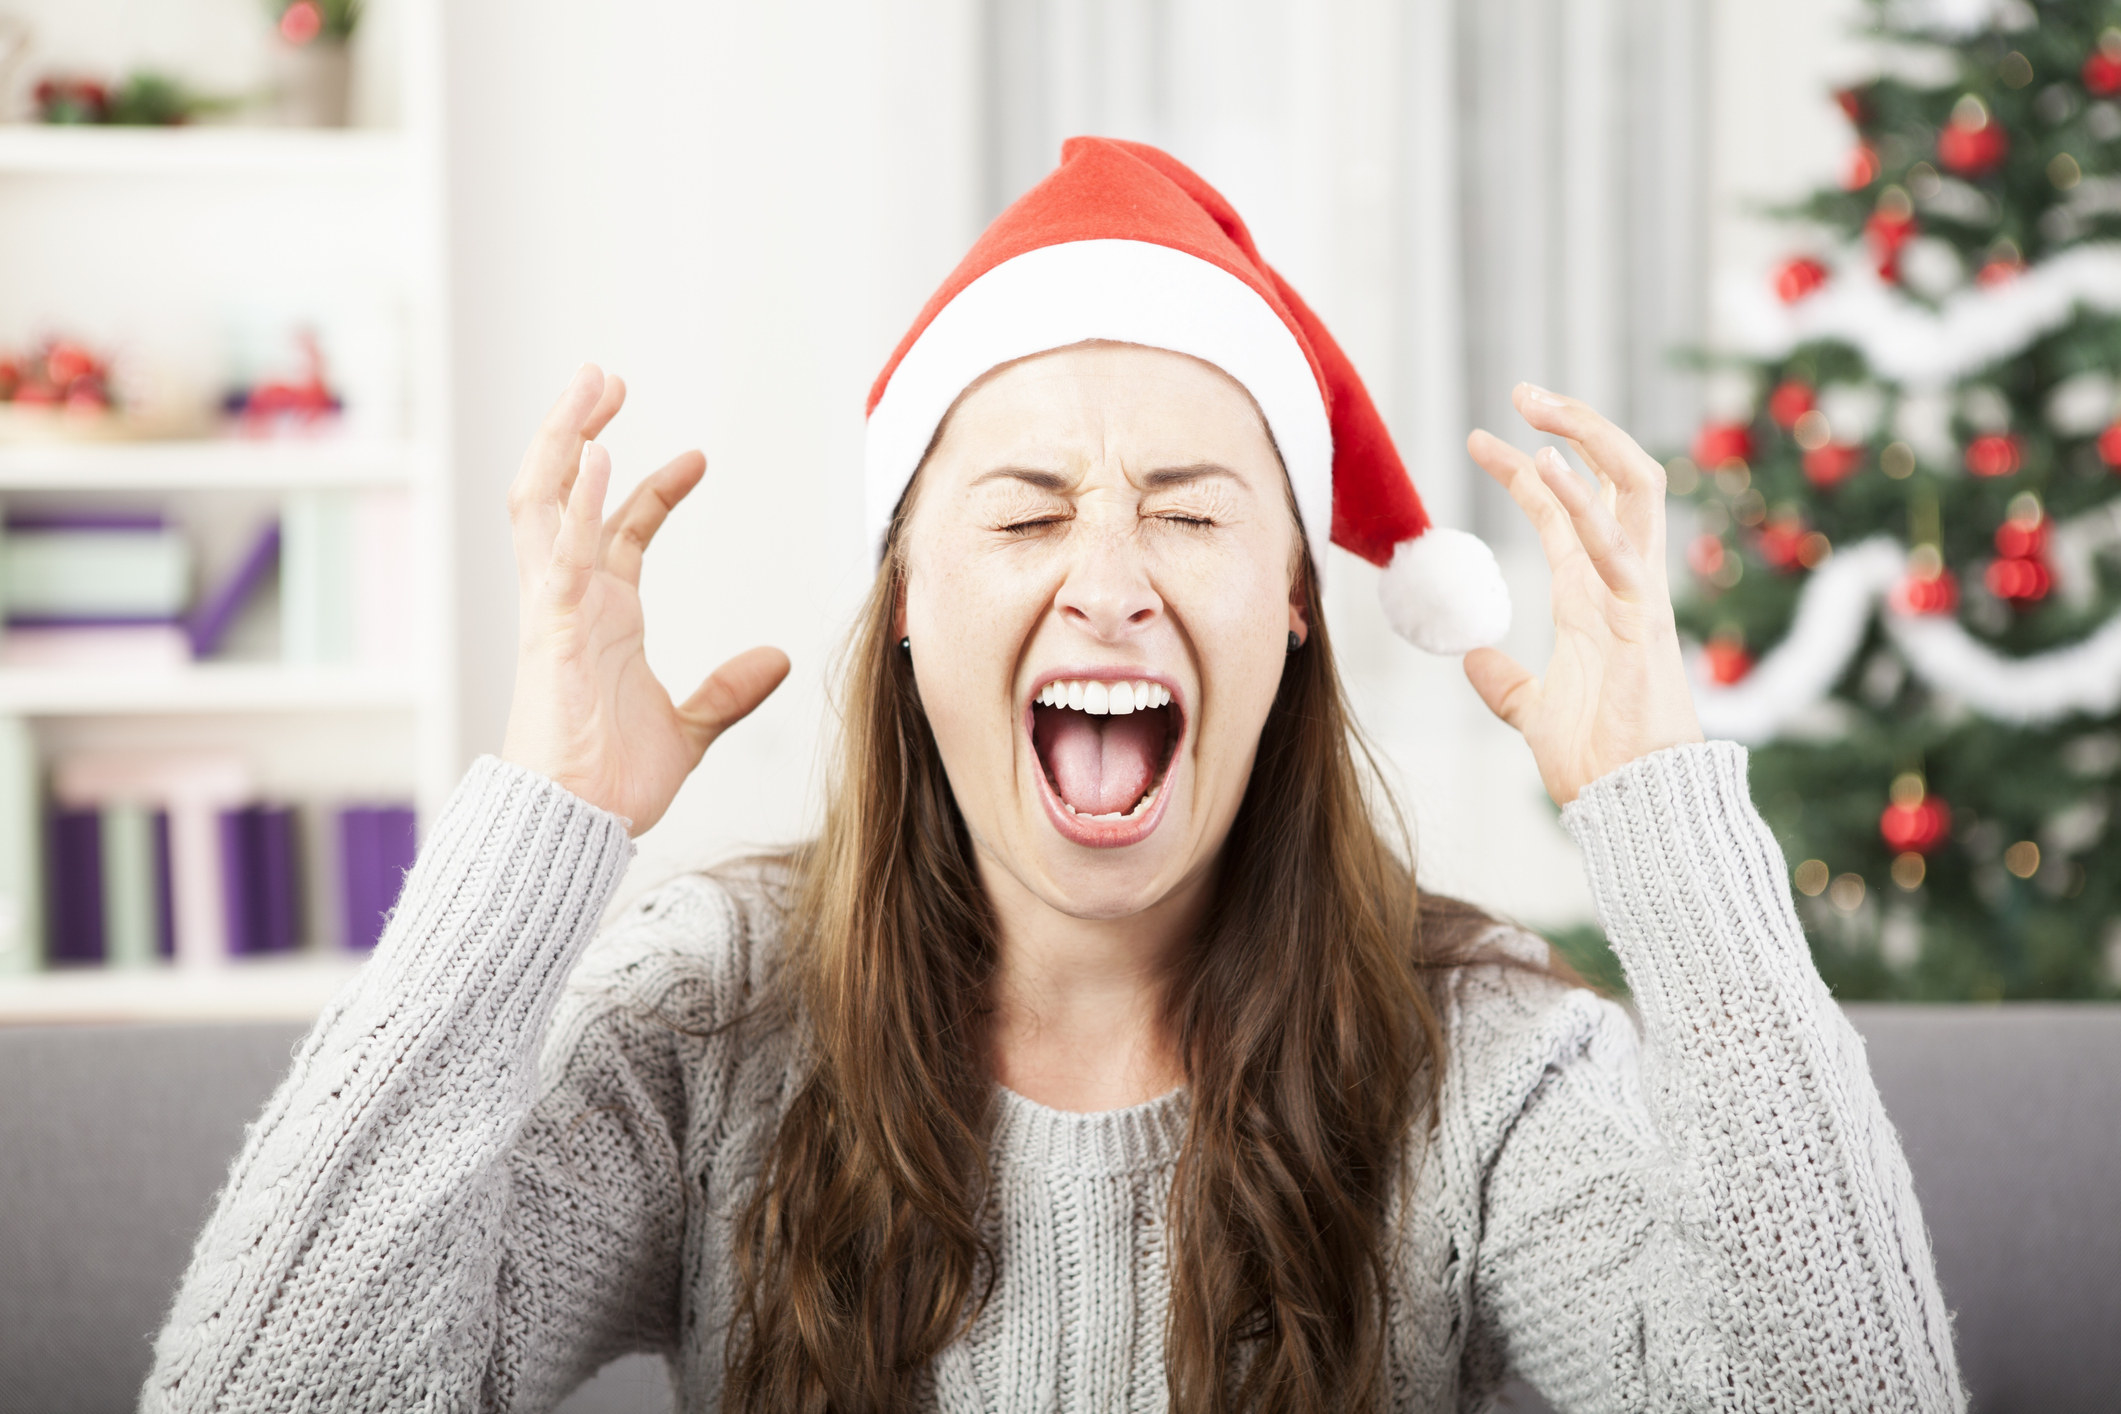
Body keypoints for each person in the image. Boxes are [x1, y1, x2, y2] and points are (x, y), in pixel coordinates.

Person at [143, 139, 1961, 1413]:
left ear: (1298, 611)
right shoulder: (707, 1025)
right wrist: (541, 830)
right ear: (914, 607)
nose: (1107, 574)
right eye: (1021, 511)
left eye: (1187, 509)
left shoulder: (1482, 1062)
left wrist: (1659, 817)